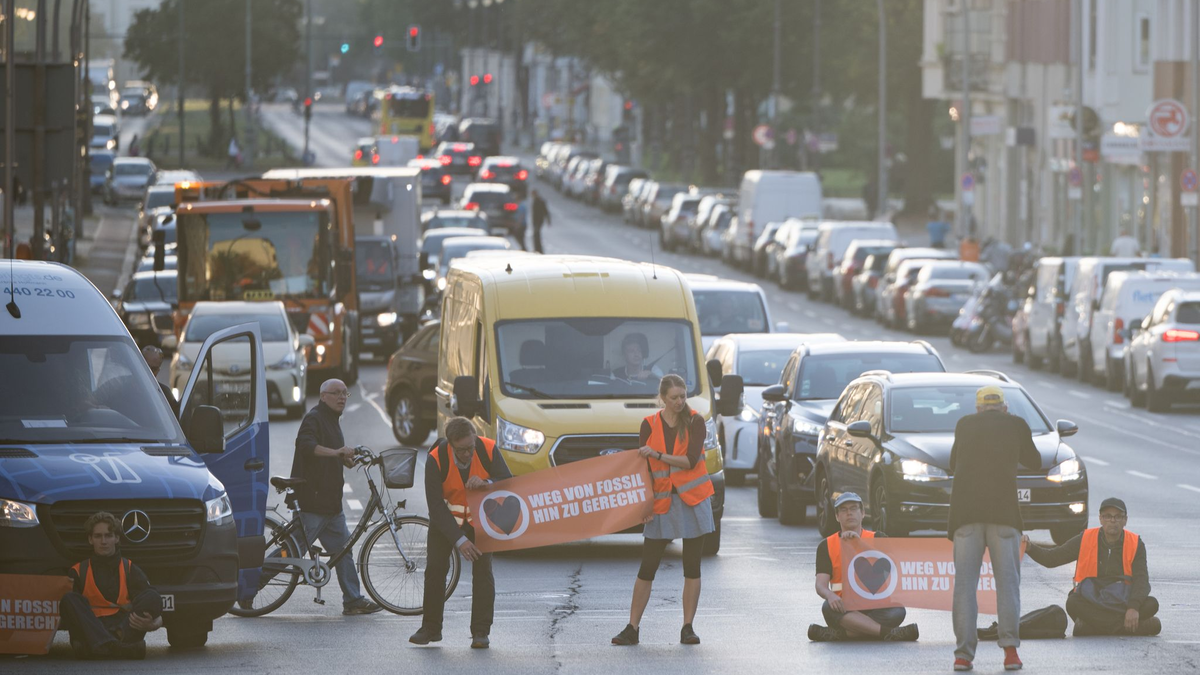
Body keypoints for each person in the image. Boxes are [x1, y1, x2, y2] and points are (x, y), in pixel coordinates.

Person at [612, 374, 715, 647]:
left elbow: (691, 461)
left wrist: (657, 454)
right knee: (647, 567)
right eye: (674, 398)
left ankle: (687, 627)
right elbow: (643, 471)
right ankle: (632, 628)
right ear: (662, 398)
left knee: (692, 567)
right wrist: (644, 506)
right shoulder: (648, 424)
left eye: (683, 396)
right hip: (661, 502)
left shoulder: (696, 421)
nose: (680, 401)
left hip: (693, 500)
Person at [948, 385, 1042, 672]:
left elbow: (953, 463)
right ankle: (1010, 652)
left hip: (966, 515)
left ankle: (963, 656)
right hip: (1004, 515)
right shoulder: (1015, 424)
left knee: (965, 586)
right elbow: (1035, 461)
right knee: (1007, 585)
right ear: (1003, 407)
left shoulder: (964, 424)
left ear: (977, 408)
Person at [410, 417, 512, 649]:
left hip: (480, 521)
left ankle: (480, 632)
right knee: (435, 569)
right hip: (446, 521)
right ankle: (430, 629)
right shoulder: (436, 459)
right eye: (462, 450)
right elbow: (435, 506)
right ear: (450, 444)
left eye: (470, 448)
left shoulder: (487, 449)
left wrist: (488, 481)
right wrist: (459, 539)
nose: (467, 454)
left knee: (483, 572)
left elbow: (508, 482)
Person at [288, 378, 382, 615]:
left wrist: (346, 458)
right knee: (291, 551)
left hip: (330, 504)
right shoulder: (314, 418)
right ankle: (250, 588)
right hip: (313, 501)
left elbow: (330, 453)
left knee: (343, 551)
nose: (342, 397)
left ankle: (353, 600)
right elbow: (306, 446)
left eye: (345, 393)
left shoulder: (332, 420)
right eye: (336, 393)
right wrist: (337, 452)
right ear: (323, 396)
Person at [1022, 498, 1160, 637]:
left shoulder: (1135, 543)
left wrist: (1133, 608)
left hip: (1122, 601)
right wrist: (1030, 548)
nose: (1113, 520)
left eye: (1118, 516)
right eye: (1107, 516)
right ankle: (1123, 627)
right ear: (1100, 519)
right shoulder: (1086, 538)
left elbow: (1142, 580)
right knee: (1073, 602)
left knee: (1152, 604)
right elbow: (1052, 559)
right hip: (1093, 600)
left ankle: (1092, 628)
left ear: (1125, 520)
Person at [808, 492, 919, 642]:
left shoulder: (878, 537)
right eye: (843, 509)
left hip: (876, 605)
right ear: (837, 516)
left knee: (897, 611)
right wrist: (830, 595)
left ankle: (841, 634)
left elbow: (893, 566)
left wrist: (859, 544)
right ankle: (887, 633)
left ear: (863, 513)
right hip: (845, 607)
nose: (849, 513)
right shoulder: (826, 545)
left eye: (853, 508)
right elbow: (820, 585)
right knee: (828, 607)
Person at [59, 512, 163, 659]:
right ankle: (118, 648)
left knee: (152, 595)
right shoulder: (77, 571)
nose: (103, 541)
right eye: (98, 536)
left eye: (108, 535)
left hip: (123, 627)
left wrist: (152, 624)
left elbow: (155, 603)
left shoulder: (129, 568)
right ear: (90, 539)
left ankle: (103, 646)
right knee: (69, 600)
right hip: (92, 626)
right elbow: (68, 616)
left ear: (117, 538)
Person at [141, 345, 179, 417]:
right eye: (146, 366)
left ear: (158, 370)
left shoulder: (165, 394)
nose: (149, 371)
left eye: (154, 369)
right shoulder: (122, 387)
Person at [531, 188, 551, 253]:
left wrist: (548, 220)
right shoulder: (535, 201)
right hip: (536, 221)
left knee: (536, 234)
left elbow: (545, 211)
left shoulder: (540, 201)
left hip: (539, 220)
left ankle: (538, 249)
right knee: (536, 234)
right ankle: (537, 248)